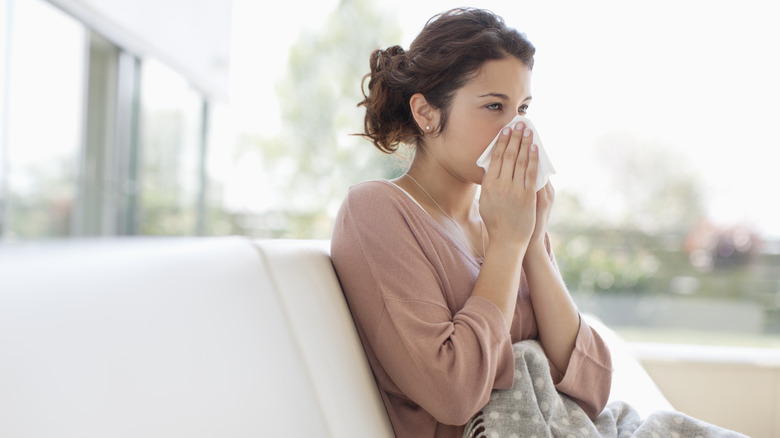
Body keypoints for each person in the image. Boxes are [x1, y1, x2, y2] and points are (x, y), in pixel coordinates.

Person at [330, 8, 612, 438]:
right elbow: (453, 393)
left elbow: (593, 388)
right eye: (494, 106)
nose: (516, 129)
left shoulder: (507, 219)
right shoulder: (377, 211)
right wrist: (507, 247)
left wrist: (533, 243)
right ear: (426, 113)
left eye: (523, 109)